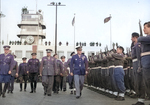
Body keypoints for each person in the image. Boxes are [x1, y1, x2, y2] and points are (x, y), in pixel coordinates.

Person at [133, 21, 150, 105]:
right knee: (145, 82)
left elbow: (140, 39)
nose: (143, 29)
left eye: (145, 28)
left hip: (148, 62)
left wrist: (140, 39)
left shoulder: (144, 39)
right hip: (144, 62)